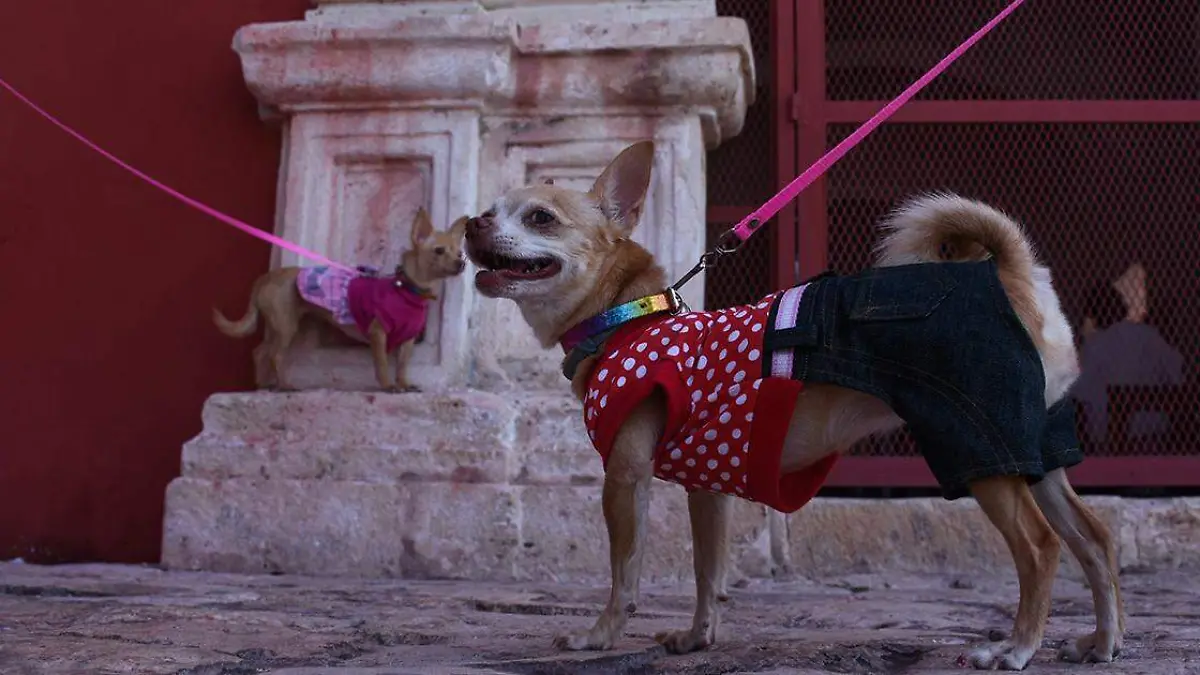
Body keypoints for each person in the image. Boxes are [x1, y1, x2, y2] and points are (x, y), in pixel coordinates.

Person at [1072, 263, 1185, 443]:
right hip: (1158, 429)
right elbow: (1177, 376)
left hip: (1110, 435)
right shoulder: (1150, 336)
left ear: (1092, 316)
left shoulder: (1095, 346)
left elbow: (1077, 393)